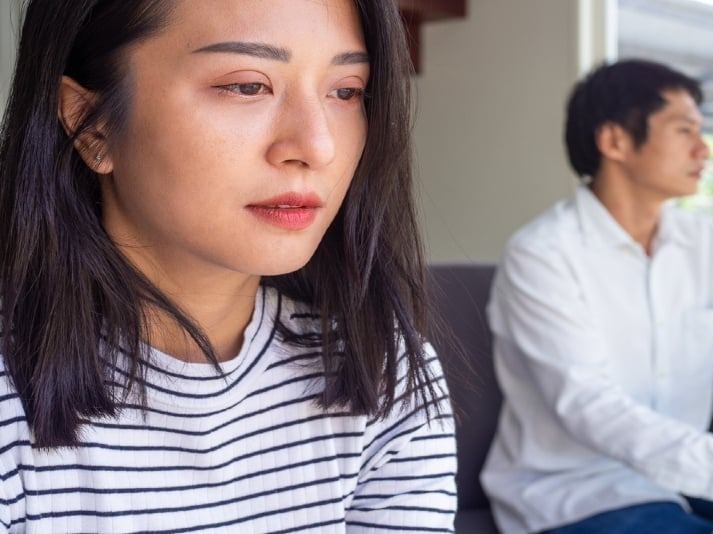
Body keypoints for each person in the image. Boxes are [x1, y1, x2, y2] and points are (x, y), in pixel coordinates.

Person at [0, 1, 456, 532]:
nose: (317, 146)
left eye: (346, 90)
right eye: (246, 86)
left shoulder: (382, 371)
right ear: (91, 124)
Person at [481, 59, 713, 533]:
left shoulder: (705, 244)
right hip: (581, 493)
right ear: (615, 141)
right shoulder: (542, 255)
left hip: (687, 474)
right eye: (683, 130)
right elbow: (595, 411)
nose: (702, 148)